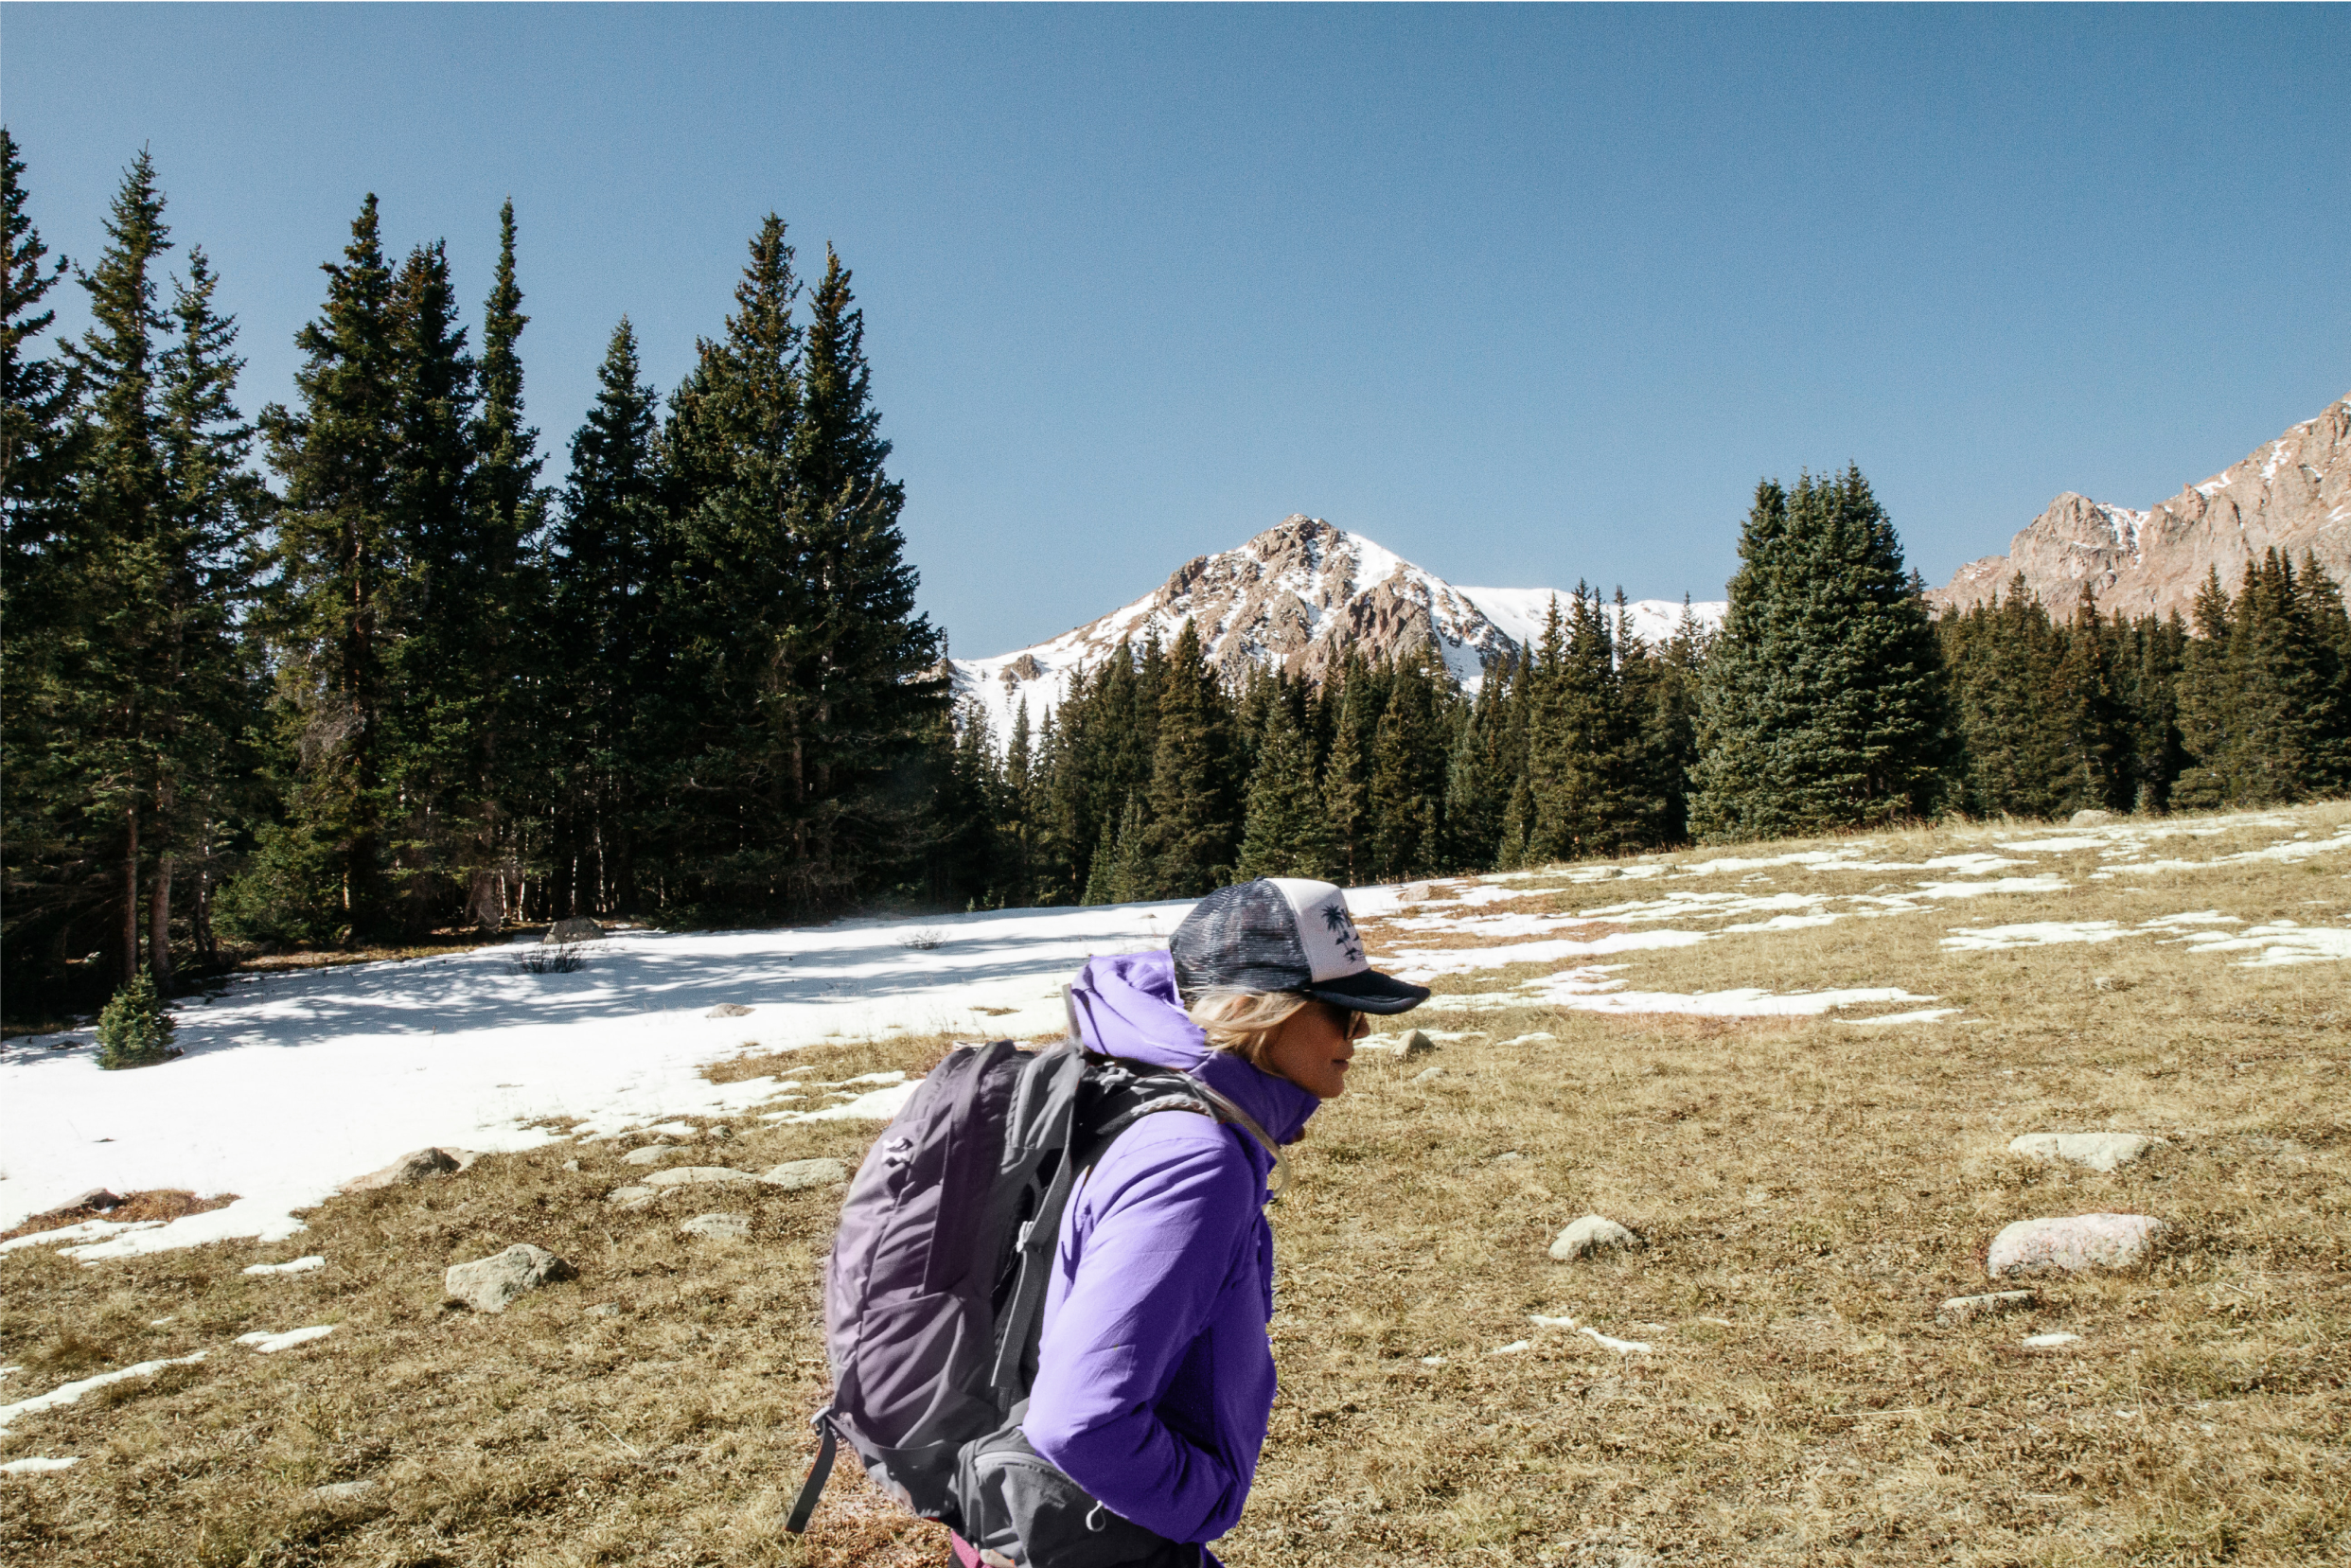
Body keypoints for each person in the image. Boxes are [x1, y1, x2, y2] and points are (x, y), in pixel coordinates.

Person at [952, 876, 1429, 1567]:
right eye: (1341, 1011)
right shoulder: (1194, 1157)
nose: (1360, 1033)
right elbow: (1081, 1419)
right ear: (1258, 1008)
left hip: (1036, 1518)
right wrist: (1203, 1506)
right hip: (1097, 1538)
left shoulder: (1138, 1085)